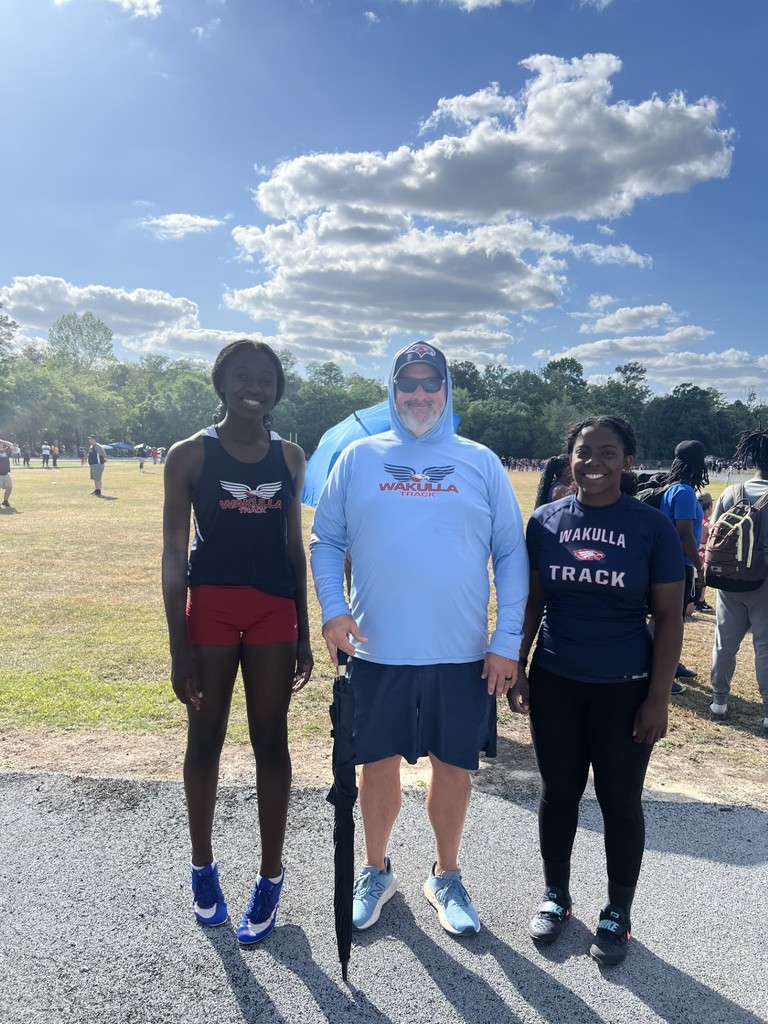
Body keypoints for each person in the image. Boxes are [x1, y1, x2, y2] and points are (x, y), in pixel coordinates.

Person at [310, 340, 528, 937]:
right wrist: (333, 609)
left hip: (461, 653)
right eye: (408, 383)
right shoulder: (358, 458)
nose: (420, 394)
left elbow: (511, 553)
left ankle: (445, 875)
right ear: (393, 389)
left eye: (432, 383)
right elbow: (326, 540)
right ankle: (375, 870)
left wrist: (506, 639)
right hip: (376, 649)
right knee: (374, 765)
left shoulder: (480, 461)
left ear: (447, 390)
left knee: (453, 768)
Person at [508, 415, 684, 966]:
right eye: (584, 452)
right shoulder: (545, 521)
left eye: (608, 453)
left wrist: (658, 698)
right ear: (570, 458)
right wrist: (519, 665)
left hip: (625, 689)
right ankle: (555, 895)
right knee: (558, 792)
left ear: (628, 462)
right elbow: (533, 602)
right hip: (557, 680)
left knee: (619, 801)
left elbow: (670, 617)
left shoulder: (651, 527)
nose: (594, 462)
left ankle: (617, 912)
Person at [162, 339, 313, 944]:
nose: (255, 387)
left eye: (266, 379)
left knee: (271, 742)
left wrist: (303, 630)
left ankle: (270, 878)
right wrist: (178, 647)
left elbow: (293, 548)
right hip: (212, 612)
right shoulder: (188, 455)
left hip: (274, 612)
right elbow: (173, 558)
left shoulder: (290, 457)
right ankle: (202, 869)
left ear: (277, 390)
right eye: (243, 376)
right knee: (205, 740)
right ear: (222, 384)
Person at [709, 429, 768, 731]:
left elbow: (713, 533)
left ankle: (719, 701)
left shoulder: (731, 492)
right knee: (765, 646)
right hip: (764, 583)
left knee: (725, 642)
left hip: (730, 578)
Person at [656, 440, 708, 692]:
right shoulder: (685, 492)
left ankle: (672, 664)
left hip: (672, 562)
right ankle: (661, 673)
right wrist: (700, 567)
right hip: (679, 564)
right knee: (669, 622)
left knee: (672, 620)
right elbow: (685, 533)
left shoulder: (673, 488)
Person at [694, 492, 714, 612]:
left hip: (692, 555)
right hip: (702, 557)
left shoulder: (693, 520)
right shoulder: (707, 525)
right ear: (709, 508)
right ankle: (701, 601)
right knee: (703, 580)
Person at [0, 440, 14, 507]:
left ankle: (5, 501)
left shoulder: (5, 452)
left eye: (1, 444)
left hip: (6, 473)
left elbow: (11, 444)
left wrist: (2, 441)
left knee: (9, 487)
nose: (0, 445)